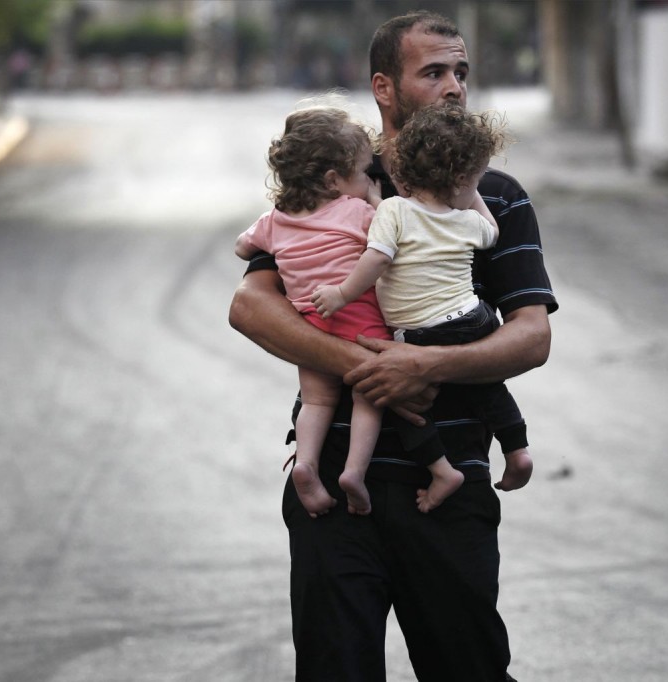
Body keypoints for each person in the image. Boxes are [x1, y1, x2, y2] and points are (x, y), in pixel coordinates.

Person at [229, 10, 557, 681]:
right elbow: (251, 305)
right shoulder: (339, 174)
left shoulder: (493, 195)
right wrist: (366, 366)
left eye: (461, 72)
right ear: (385, 87)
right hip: (333, 494)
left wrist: (427, 364)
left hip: (448, 483)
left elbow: (532, 335)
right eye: (434, 72)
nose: (455, 88)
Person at [311, 102, 534, 514]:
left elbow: (377, 258)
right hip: (472, 318)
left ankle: (441, 470)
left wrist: (342, 294)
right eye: (476, 178)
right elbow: (492, 231)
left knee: (403, 405)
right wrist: (470, 197)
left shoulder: (393, 210)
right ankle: (517, 448)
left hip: (415, 333)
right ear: (463, 180)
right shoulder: (466, 220)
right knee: (488, 387)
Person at [234, 105, 390, 518]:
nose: (367, 179)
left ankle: (306, 464)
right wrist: (376, 198)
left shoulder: (276, 219)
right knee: (368, 397)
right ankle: (354, 472)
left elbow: (242, 247)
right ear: (333, 181)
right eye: (361, 173)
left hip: (313, 325)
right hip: (360, 319)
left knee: (317, 402)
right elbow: (388, 239)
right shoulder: (357, 210)